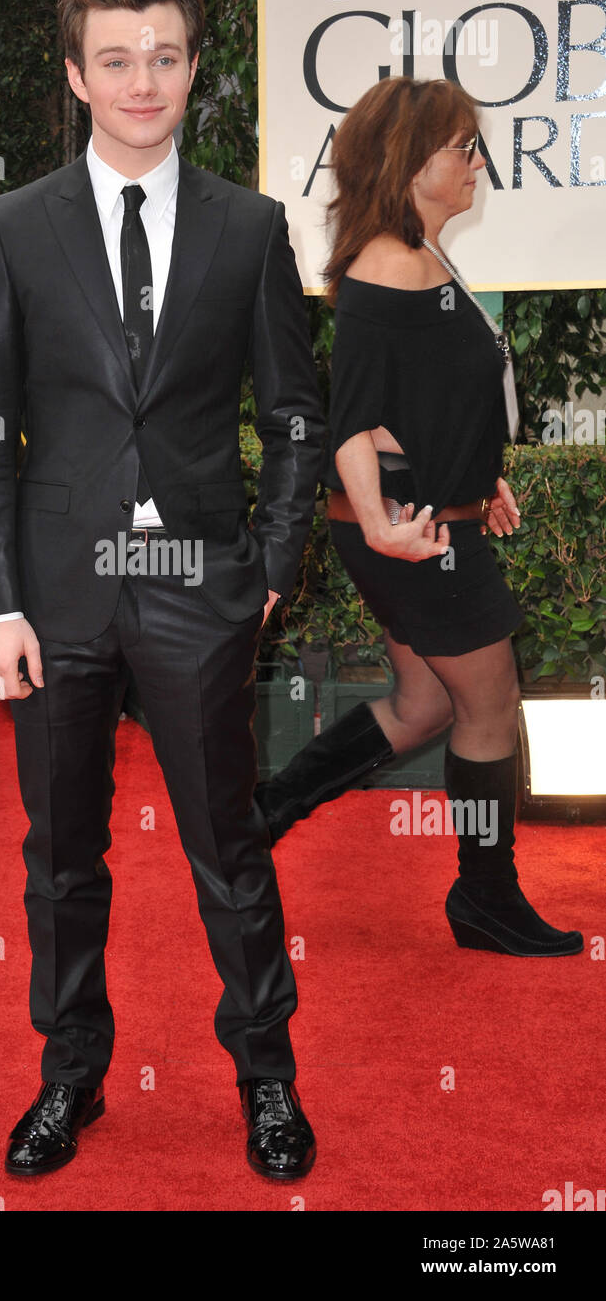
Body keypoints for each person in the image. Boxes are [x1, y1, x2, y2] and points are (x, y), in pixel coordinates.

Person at [0, 0, 325, 1179]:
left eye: (163, 55)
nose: (142, 80)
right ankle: (70, 1078)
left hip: (199, 589)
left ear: (193, 64)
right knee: (60, 858)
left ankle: (265, 1079)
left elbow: (292, 412)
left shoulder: (251, 226)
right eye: (116, 60)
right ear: (75, 75)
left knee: (228, 845)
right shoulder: (10, 228)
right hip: (54, 593)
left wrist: (270, 559)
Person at [256, 76, 582, 960]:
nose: (478, 163)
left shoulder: (417, 255)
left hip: (431, 518)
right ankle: (485, 897)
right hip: (414, 534)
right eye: (462, 149)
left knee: (424, 703)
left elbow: (430, 398)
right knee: (488, 705)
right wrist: (383, 525)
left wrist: (482, 480)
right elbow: (350, 419)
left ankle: (257, 818)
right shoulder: (389, 266)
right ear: (410, 164)